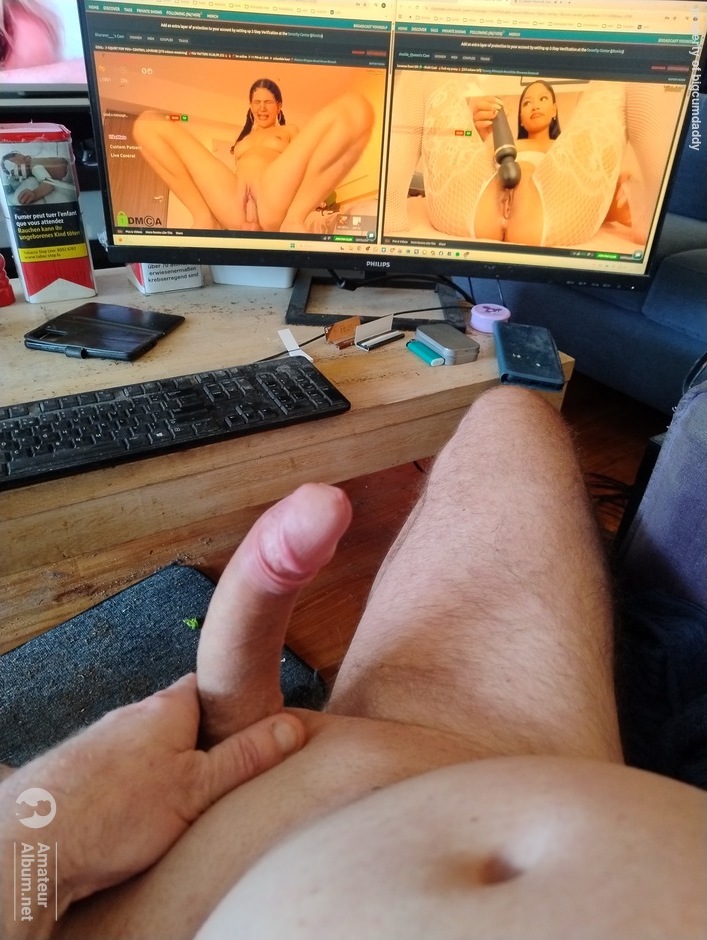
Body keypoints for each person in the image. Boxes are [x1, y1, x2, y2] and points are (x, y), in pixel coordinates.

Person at [1, 387, 704, 939]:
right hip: (536, 755)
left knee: (511, 413)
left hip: (403, 754)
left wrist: (40, 830)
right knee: (514, 411)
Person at [384, 75, 634, 247]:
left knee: (618, 78)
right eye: (527, 102)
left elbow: (595, 202)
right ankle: (390, 211)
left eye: (543, 99)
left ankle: (646, 222)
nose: (534, 106)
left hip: (547, 215)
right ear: (521, 116)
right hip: (477, 205)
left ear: (555, 109)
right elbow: (470, 169)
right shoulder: (503, 141)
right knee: (426, 71)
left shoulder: (568, 152)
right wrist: (472, 133)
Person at [132, 78, 374, 233]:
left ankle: (294, 219)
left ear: (279, 106)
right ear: (250, 106)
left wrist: (299, 207)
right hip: (235, 202)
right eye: (256, 102)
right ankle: (204, 217)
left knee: (355, 108)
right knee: (147, 124)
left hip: (272, 197)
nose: (262, 108)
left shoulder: (289, 131)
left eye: (268, 102)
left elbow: (308, 166)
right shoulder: (242, 140)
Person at [1, 150, 76, 205]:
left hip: (71, 169)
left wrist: (35, 193)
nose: (16, 170)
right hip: (71, 167)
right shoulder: (33, 165)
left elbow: (49, 184)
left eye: (14, 163)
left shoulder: (33, 165)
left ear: (17, 155)